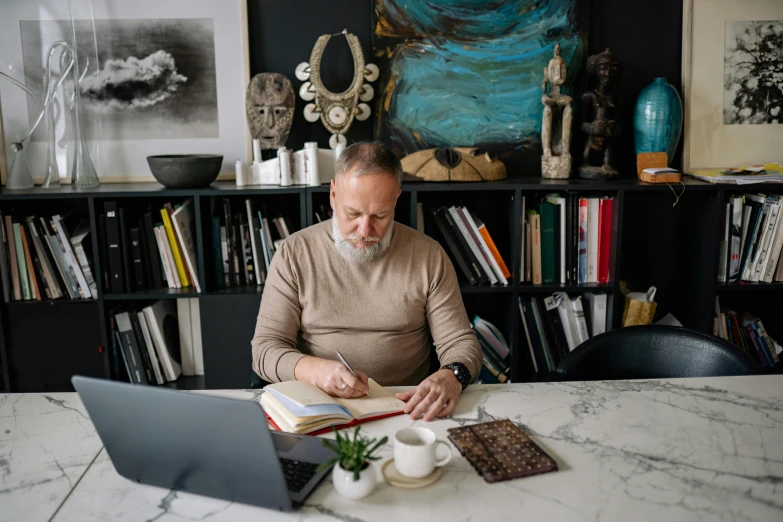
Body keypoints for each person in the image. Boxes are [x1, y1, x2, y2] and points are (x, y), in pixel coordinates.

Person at [252, 142, 482, 422]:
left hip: (407, 408)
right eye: (353, 213)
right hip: (319, 407)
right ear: (334, 194)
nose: (364, 230)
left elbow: (460, 343)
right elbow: (264, 350)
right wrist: (315, 371)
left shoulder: (428, 255)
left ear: (397, 198)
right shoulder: (294, 253)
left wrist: (451, 376)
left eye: (380, 216)